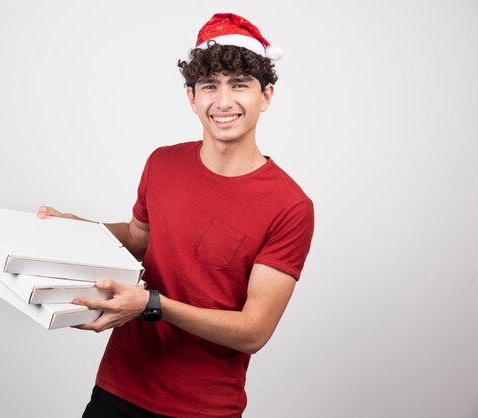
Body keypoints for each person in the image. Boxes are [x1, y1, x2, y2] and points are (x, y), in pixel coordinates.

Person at [38, 13, 314, 418]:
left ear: (266, 96)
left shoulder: (290, 206)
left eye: (239, 85)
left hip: (203, 409)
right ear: (192, 97)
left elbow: (254, 330)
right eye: (210, 86)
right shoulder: (162, 163)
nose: (223, 101)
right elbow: (138, 237)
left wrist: (153, 304)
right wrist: (77, 228)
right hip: (118, 388)